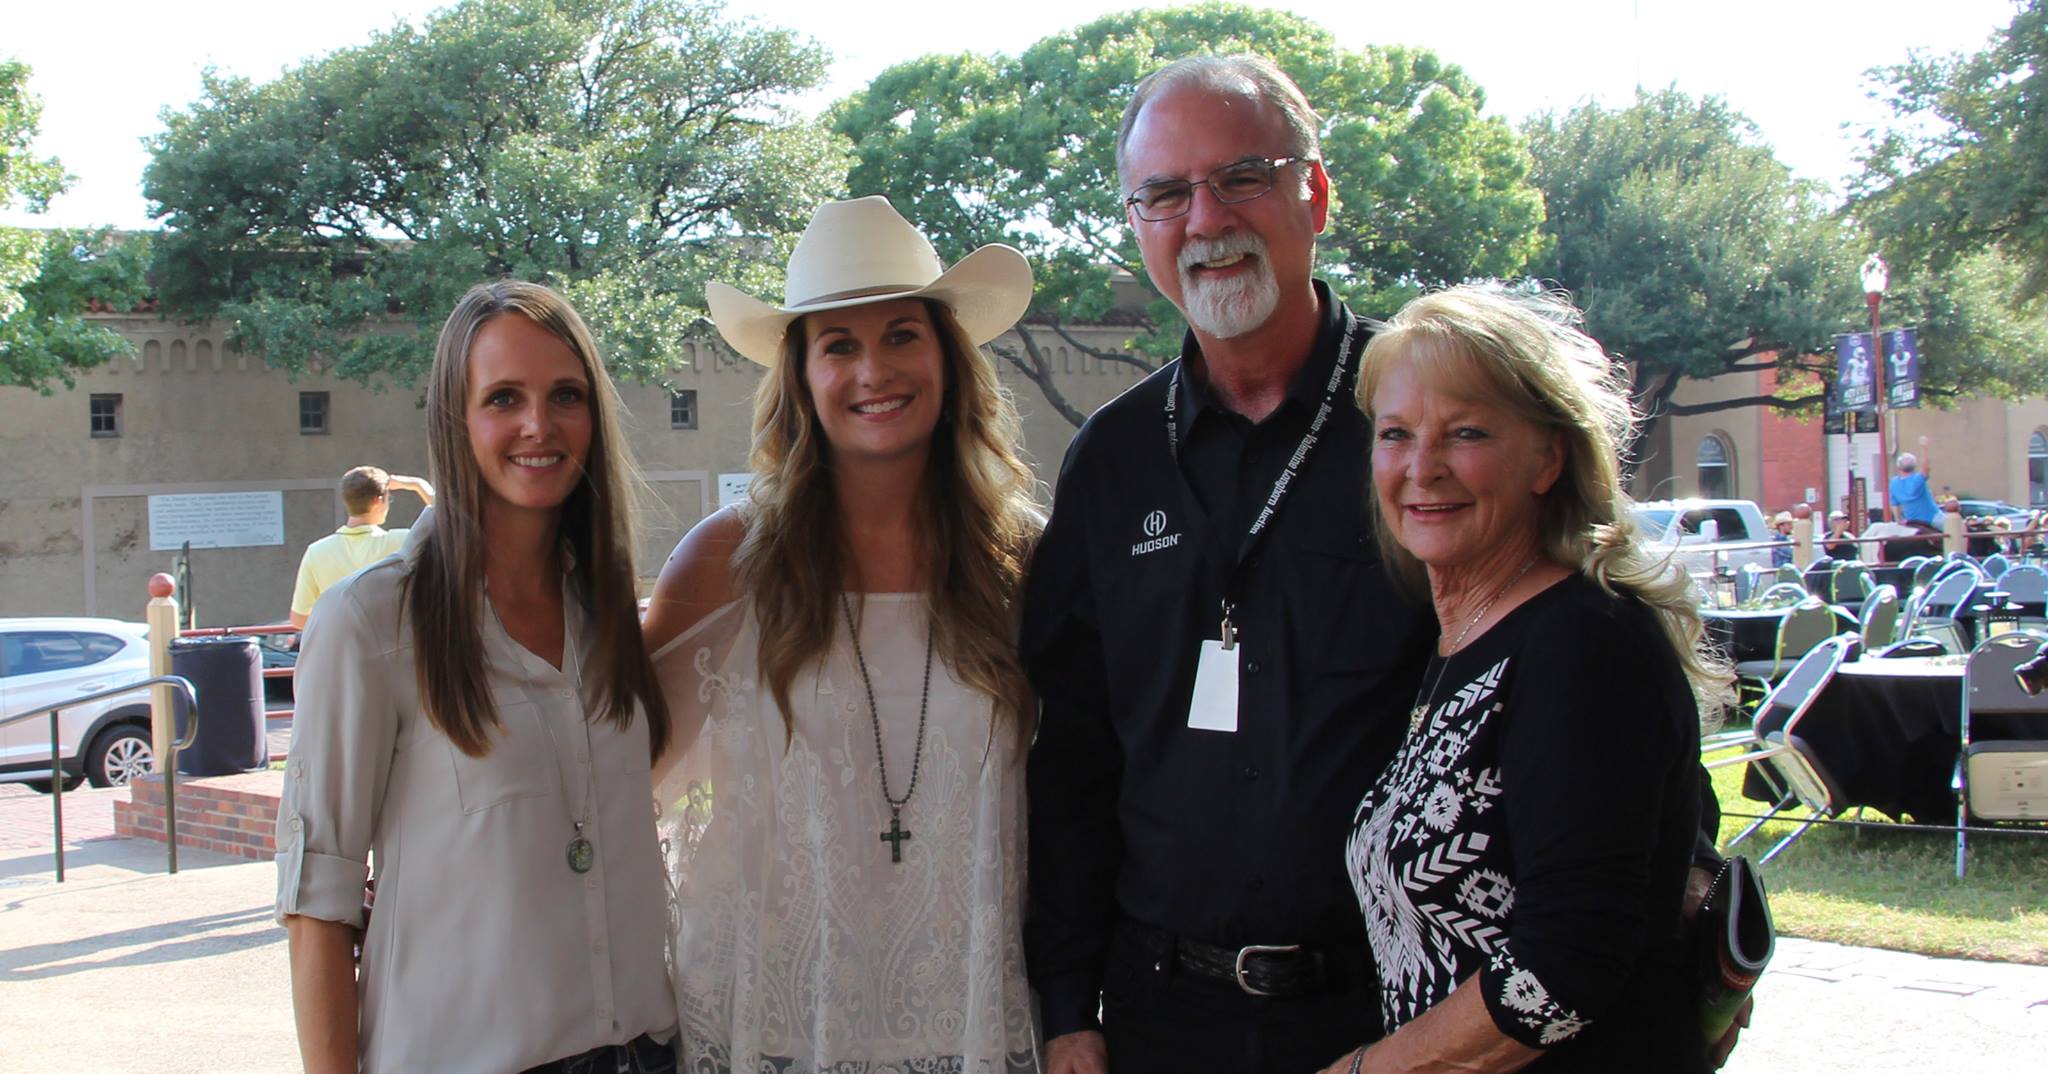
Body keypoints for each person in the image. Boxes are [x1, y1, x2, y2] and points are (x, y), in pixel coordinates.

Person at [1022, 54, 1739, 1074]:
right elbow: (1076, 754)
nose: (1204, 219)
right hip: (1161, 1015)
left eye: (1240, 177)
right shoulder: (1111, 460)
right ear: (1135, 223)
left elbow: (1600, 744)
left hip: (1401, 1014)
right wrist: (1065, 1005)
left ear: (1312, 190)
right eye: (1165, 194)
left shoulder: (1421, 413)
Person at [640, 195, 1043, 1073]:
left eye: (903, 334)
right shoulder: (726, 558)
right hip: (773, 1026)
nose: (875, 371)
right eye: (839, 345)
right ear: (801, 375)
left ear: (947, 357)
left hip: (969, 1021)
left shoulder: (1023, 561)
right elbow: (616, 770)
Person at [1326, 285, 1736, 1073]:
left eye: (1466, 432)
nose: (1422, 467)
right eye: (1396, 433)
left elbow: (1564, 968)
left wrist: (1364, 1071)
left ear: (1549, 455)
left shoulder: (1582, 644)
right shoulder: (1458, 641)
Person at [275, 281, 677, 1074]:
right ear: (456, 422)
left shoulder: (607, 618)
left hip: (647, 1050)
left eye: (567, 395)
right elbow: (317, 905)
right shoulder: (370, 625)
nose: (539, 425)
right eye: (503, 398)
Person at [287, 466, 436, 629]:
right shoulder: (403, 541)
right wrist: (417, 485)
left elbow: (299, 619)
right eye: (388, 498)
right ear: (377, 501)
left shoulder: (315, 552)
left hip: (343, 649)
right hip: (392, 646)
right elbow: (450, 521)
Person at [1889, 448, 1939, 526]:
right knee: (1956, 527)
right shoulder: (1917, 479)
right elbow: (1926, 469)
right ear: (1914, 466)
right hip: (1932, 517)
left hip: (1911, 520)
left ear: (1898, 467)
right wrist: (1924, 448)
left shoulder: (1894, 483)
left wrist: (1898, 519)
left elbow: (1895, 504)